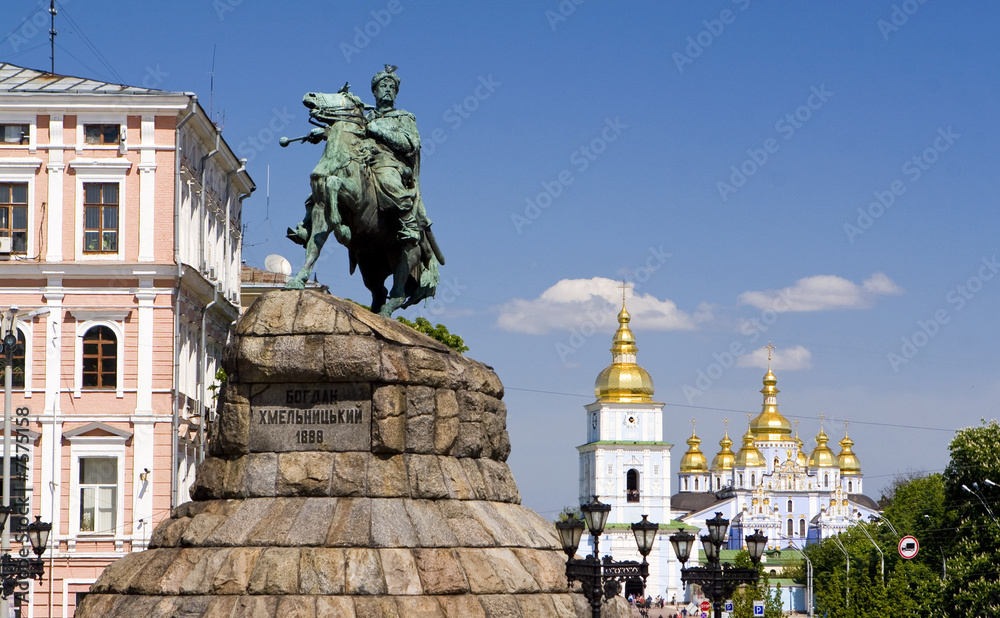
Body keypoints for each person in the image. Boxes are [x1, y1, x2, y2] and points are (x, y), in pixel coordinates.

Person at [365, 64, 426, 244]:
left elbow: (410, 143)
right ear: (374, 91)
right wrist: (326, 132)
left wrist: (379, 132)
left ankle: (409, 223)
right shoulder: (364, 118)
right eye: (383, 86)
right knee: (326, 176)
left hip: (391, 163)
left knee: (387, 179)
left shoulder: (403, 117)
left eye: (392, 87)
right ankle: (308, 225)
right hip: (363, 159)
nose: (388, 90)